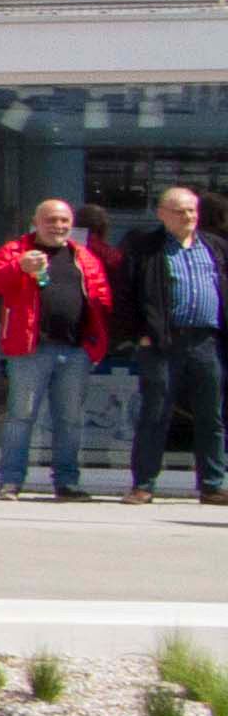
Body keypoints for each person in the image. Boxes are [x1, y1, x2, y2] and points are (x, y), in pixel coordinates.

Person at [0, 197, 115, 502]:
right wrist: (18, 267)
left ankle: (66, 482)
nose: (58, 226)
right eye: (51, 220)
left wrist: (97, 341)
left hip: (75, 351)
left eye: (64, 221)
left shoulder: (83, 256)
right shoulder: (16, 251)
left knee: (70, 420)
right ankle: (11, 481)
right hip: (30, 350)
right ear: (36, 222)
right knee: (21, 417)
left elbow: (102, 298)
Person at [131, 182, 228, 507]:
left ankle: (213, 485)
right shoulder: (146, 247)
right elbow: (125, 293)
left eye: (192, 210)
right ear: (162, 214)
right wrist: (139, 333)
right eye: (180, 210)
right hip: (163, 342)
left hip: (206, 342)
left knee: (210, 416)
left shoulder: (214, 246)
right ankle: (144, 484)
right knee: (155, 413)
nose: (188, 216)